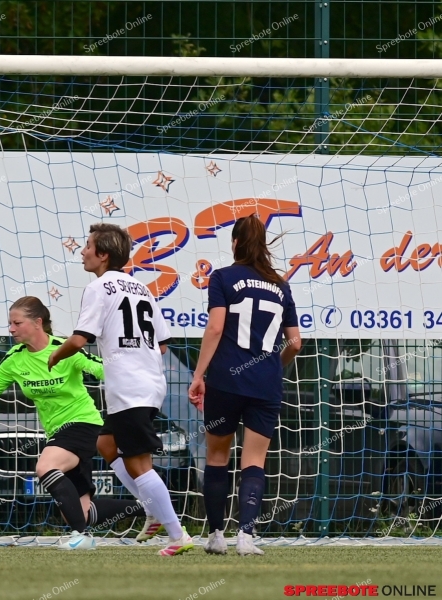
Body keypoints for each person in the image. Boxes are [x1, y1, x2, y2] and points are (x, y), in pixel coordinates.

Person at [0, 296, 145, 549]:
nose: (11, 329)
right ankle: (152, 508)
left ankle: (82, 539)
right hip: (57, 433)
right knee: (82, 513)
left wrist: (134, 369)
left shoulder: (66, 349)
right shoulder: (15, 359)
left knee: (45, 467)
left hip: (83, 423)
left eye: (17, 323)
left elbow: (103, 369)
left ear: (37, 323)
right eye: (10, 323)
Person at [48, 223, 193, 557]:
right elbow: (162, 344)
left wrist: (56, 355)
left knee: (140, 463)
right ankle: (153, 509)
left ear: (103, 254)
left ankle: (177, 534)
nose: (82, 251)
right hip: (143, 383)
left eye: (87, 246)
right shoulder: (141, 287)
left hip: (130, 388)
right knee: (106, 443)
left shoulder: (99, 287)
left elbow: (79, 338)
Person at [188, 214, 301, 556]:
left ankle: (216, 536)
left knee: (218, 455)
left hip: (225, 380)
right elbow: (295, 342)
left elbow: (216, 328)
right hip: (265, 385)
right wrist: (272, 368)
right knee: (255, 460)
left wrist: (198, 375)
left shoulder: (223, 277)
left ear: (235, 243)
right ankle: (246, 537)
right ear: (263, 244)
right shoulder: (281, 285)